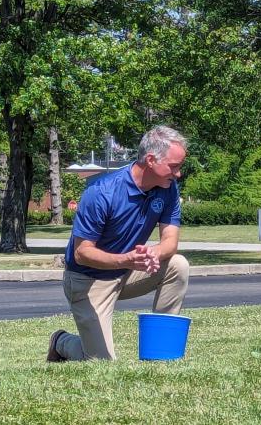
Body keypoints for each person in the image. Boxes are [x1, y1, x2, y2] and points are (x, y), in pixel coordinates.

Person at [47, 126, 190, 361]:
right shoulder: (101, 193)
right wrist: (127, 259)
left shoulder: (168, 189)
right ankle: (61, 342)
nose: (178, 174)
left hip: (126, 272)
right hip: (87, 280)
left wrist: (152, 253)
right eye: (174, 167)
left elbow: (170, 241)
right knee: (100, 362)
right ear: (151, 160)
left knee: (177, 264)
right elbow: (82, 252)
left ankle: (160, 354)